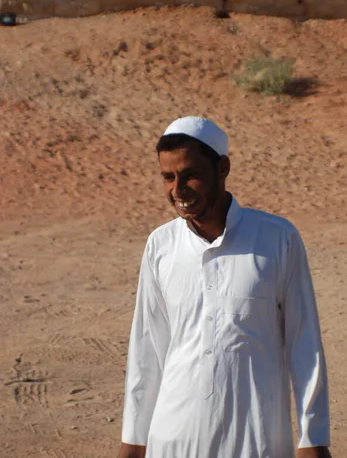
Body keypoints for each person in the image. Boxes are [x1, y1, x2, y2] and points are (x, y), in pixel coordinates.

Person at [117, 116, 332, 458]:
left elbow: (305, 344)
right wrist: (133, 440)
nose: (178, 189)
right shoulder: (161, 245)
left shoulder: (277, 238)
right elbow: (147, 348)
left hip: (255, 439)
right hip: (174, 439)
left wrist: (313, 438)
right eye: (168, 178)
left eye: (191, 175)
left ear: (223, 168)